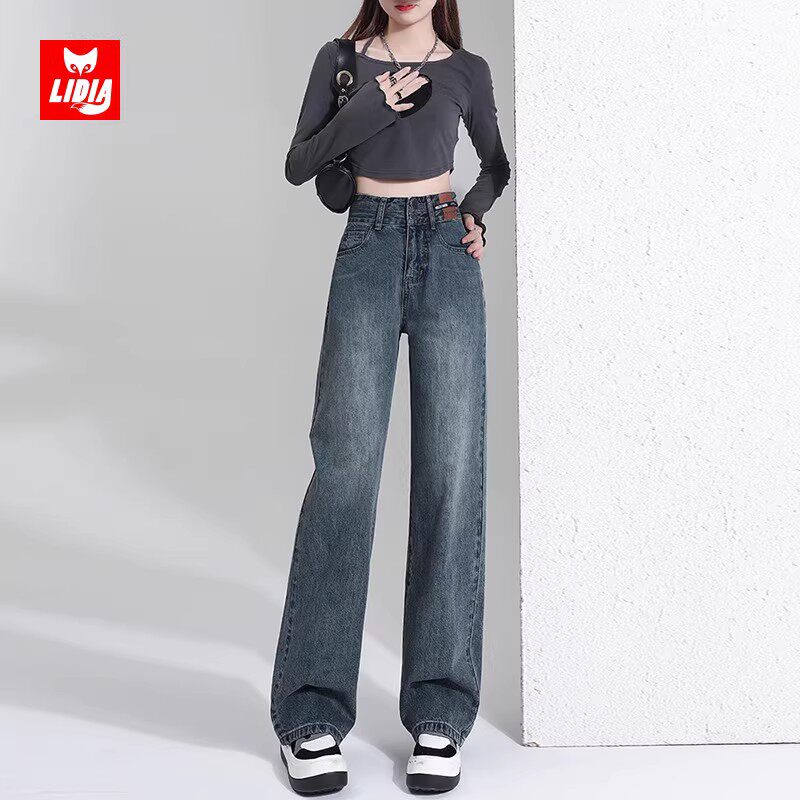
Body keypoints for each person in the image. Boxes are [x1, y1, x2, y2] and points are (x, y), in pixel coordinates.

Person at [271, 0, 511, 793]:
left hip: (446, 253)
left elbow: (495, 167)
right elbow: (301, 165)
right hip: (367, 246)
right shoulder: (340, 61)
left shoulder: (467, 71)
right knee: (344, 473)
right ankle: (310, 713)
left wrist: (473, 216)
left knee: (451, 475)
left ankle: (440, 710)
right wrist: (371, 104)